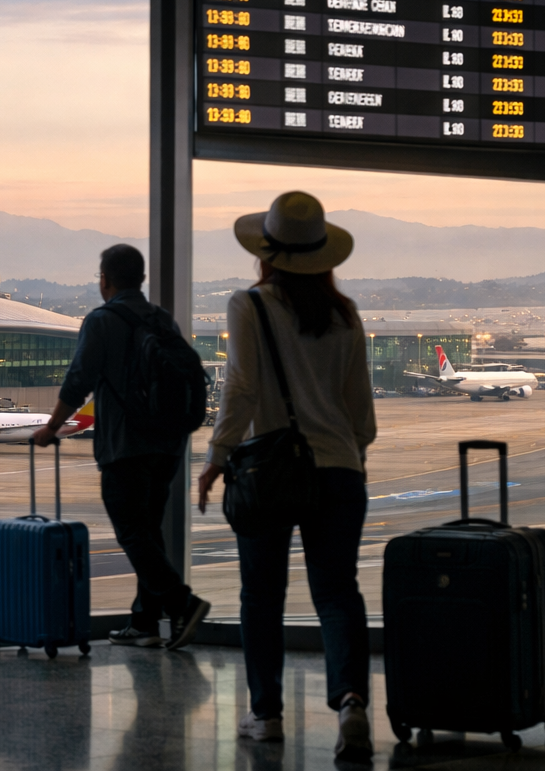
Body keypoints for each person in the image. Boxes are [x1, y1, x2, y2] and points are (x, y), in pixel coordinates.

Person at [197, 191, 377, 764]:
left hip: (272, 471)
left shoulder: (249, 306)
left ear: (266, 253)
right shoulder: (346, 316)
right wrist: (347, 457)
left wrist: (218, 456)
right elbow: (362, 415)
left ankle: (267, 714)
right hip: (341, 473)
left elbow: (242, 389)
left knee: (262, 597)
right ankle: (350, 702)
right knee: (337, 592)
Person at [32, 243, 211, 651]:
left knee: (131, 530)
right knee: (148, 530)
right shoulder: (161, 319)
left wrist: (51, 428)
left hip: (125, 444)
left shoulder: (102, 321)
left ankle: (182, 604)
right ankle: (145, 621)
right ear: (142, 279)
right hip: (168, 445)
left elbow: (79, 381)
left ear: (105, 280)